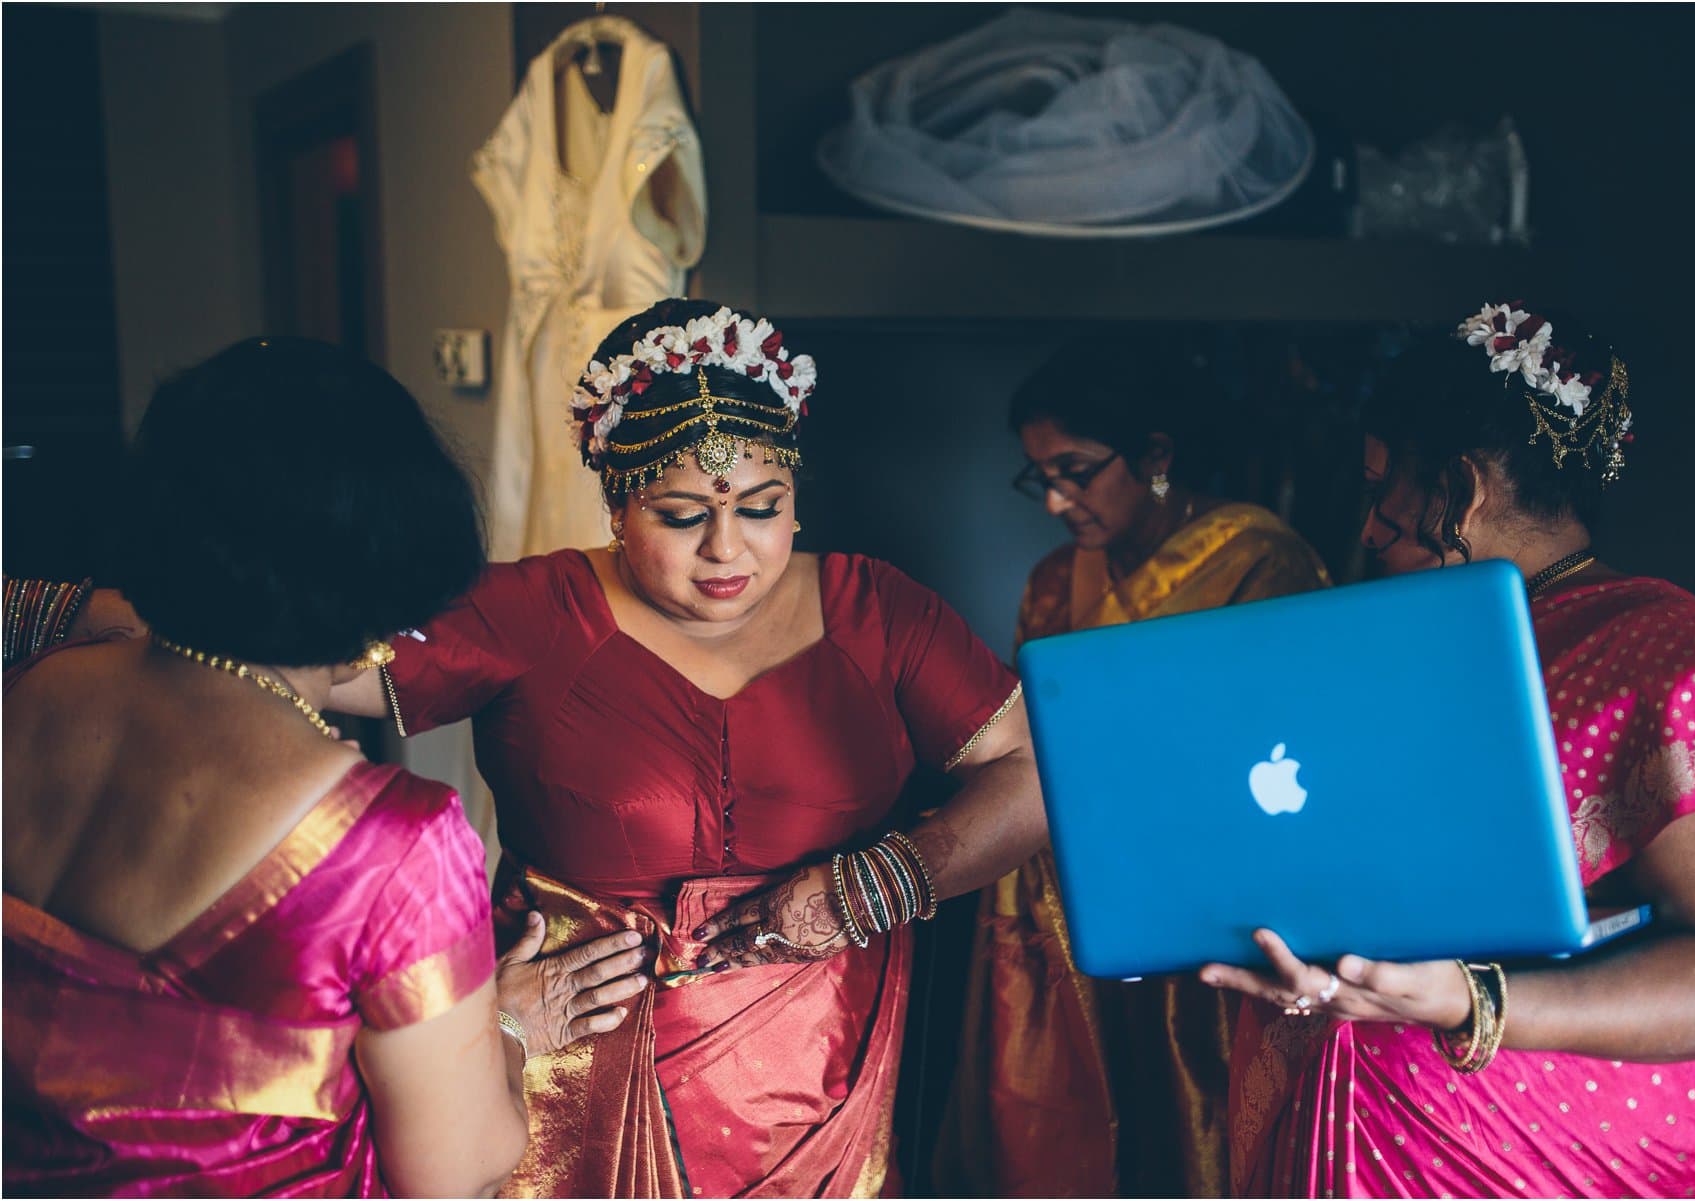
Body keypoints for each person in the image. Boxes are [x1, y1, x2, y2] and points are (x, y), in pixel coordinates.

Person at [325, 298, 1048, 1198]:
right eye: (679, 515)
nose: (726, 549)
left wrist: (883, 880)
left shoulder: (878, 611)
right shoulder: (537, 610)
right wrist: (135, 614)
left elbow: (1029, 777)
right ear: (617, 504)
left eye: (761, 507)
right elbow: (309, 659)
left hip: (817, 1077)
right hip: (574, 1070)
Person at [3, 338, 647, 1196]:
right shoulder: (390, 840)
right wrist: (505, 1023)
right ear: (389, 569)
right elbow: (456, 1171)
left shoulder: (33, 692)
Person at [1204, 303, 1695, 1198]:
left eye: (1380, 493)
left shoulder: (1647, 655)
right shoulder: (1418, 648)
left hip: (1557, 1157)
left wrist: (1473, 1003)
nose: (1367, 529)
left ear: (1460, 490)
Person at [938, 348, 1330, 1197]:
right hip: (1052, 885)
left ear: (1155, 455)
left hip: (1192, 881)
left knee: (1182, 1113)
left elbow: (1284, 739)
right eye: (1037, 476)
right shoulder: (1051, 580)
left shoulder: (1262, 560)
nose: (1053, 500)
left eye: (1075, 471)